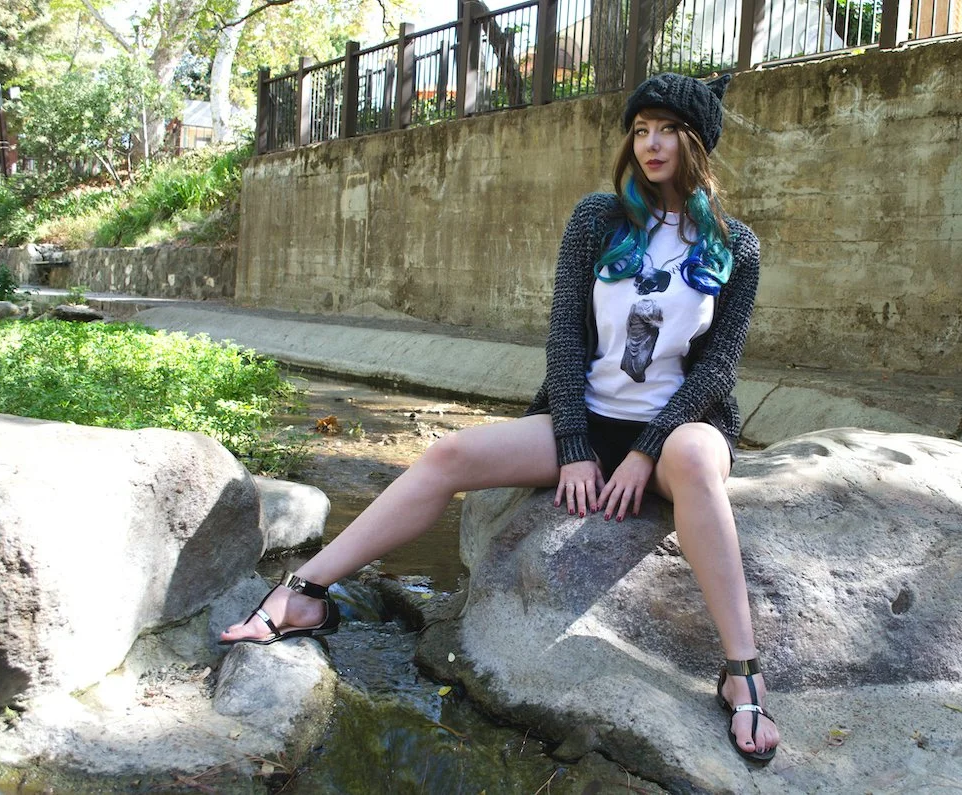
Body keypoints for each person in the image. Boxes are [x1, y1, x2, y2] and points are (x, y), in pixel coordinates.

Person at [220, 71, 779, 765]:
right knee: (448, 456)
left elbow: (719, 368)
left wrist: (645, 452)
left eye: (667, 130)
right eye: (640, 130)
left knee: (693, 459)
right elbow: (564, 337)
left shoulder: (735, 245)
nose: (650, 144)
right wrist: (573, 444)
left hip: (680, 432)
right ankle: (306, 591)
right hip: (589, 417)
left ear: (696, 142)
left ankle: (742, 669)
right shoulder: (598, 220)